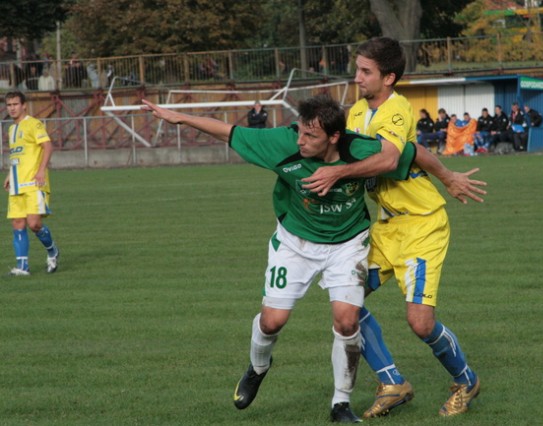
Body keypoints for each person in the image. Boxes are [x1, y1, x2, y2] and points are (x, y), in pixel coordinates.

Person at [142, 94, 417, 423]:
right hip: (295, 244)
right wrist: (180, 118)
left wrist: (449, 176)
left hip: (347, 245)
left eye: (310, 136)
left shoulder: (361, 149)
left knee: (347, 321)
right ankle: (258, 367)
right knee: (272, 321)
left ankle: (340, 404)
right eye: (299, 132)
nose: (300, 140)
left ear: (334, 137)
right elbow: (229, 132)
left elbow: (408, 154)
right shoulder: (283, 143)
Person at [302, 37, 486, 419]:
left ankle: (466, 380)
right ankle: (392, 382)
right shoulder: (355, 114)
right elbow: (406, 152)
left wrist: (448, 177)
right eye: (357, 69)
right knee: (346, 304)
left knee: (420, 322)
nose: (357, 77)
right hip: (385, 230)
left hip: (421, 226)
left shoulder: (397, 109)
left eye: (366, 72)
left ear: (388, 77)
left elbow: (391, 157)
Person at [3, 91, 60, 276]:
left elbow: (47, 146)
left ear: (24, 105)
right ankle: (22, 267)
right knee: (18, 223)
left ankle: (52, 251)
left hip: (34, 183)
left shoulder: (33, 124)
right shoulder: (11, 129)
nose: (12, 108)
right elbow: (17, 155)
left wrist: (41, 170)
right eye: (9, 105)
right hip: (18, 183)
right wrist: (10, 175)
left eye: (15, 104)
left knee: (34, 224)